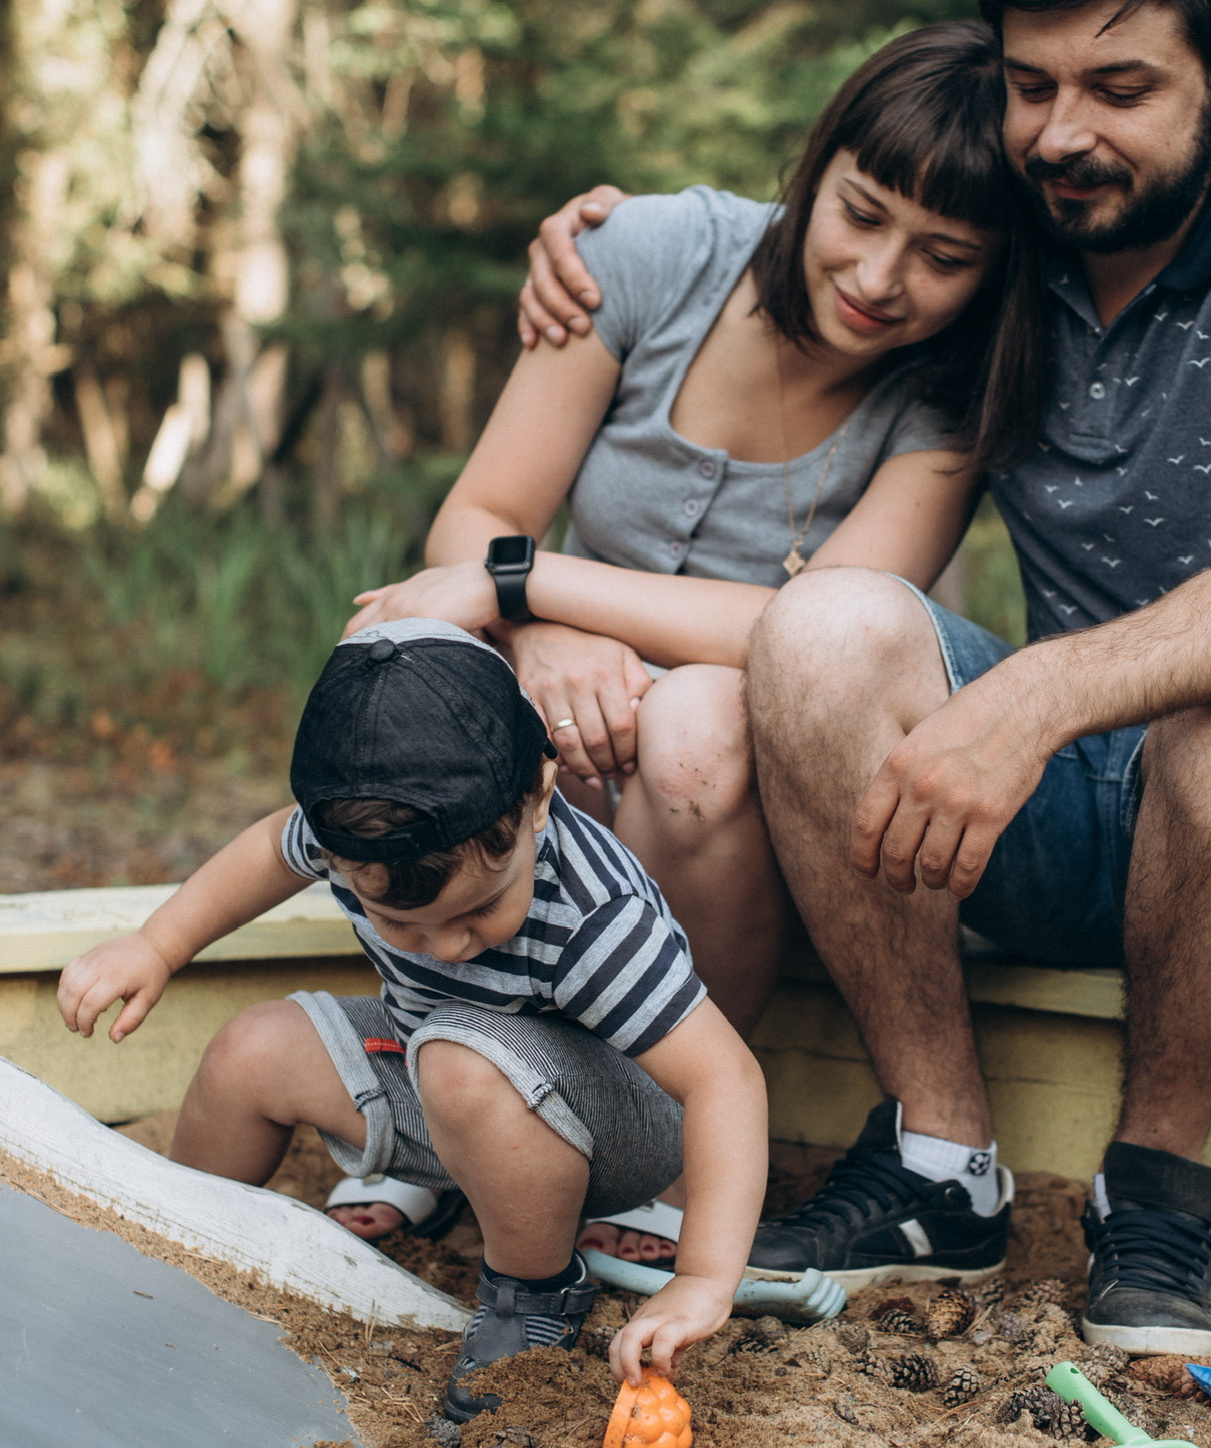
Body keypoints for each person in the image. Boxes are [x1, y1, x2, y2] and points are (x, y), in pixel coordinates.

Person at [524, 0, 1211, 1358]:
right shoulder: (1016, 234)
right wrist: (595, 239)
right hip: (1073, 809)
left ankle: (1157, 1203)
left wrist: (1028, 699)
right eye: (1032, 86)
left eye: (1120, 87)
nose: (1063, 132)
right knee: (821, 626)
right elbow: (841, 213)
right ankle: (940, 1164)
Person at [346, 22, 1043, 1260]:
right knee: (389, 648)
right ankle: (437, 1107)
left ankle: (647, 1138)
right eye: (861, 213)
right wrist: (536, 630)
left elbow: (807, 622)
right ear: (815, 165)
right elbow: (480, 514)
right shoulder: (648, 253)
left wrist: (527, 582)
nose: (882, 277)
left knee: (700, 725)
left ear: (991, 273)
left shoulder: (950, 396)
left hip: (727, 791)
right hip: (560, 718)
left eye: (944, 256)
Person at [56, 620, 769, 1421]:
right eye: (400, 924)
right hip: (450, 1078)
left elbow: (724, 1080)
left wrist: (704, 1278)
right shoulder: (355, 832)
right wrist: (158, 944)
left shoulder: (593, 923)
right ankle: (180, 1241)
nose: (446, 945)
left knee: (461, 1062)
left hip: (617, 1126)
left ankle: (532, 1296)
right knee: (251, 1051)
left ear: (539, 795)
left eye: (481, 911)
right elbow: (267, 849)